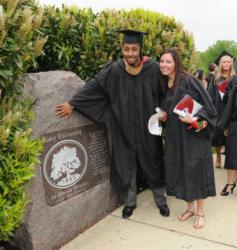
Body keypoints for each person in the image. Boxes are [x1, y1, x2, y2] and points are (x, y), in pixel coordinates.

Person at [55, 29, 169, 218]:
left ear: (140, 49)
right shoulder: (115, 70)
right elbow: (95, 86)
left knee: (154, 162)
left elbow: (168, 91)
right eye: (126, 49)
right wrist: (73, 103)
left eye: (134, 49)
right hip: (123, 127)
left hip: (148, 128)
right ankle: (129, 203)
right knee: (126, 164)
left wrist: (165, 111)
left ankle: (161, 201)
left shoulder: (154, 69)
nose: (130, 53)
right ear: (122, 49)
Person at [158, 48, 217, 229]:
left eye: (168, 61)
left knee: (195, 170)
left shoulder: (189, 81)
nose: (164, 65)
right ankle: (190, 207)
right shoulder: (167, 83)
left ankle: (200, 211)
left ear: (176, 63)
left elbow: (210, 110)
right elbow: (172, 110)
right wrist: (165, 116)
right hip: (177, 138)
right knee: (182, 170)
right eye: (161, 61)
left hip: (193, 137)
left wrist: (194, 120)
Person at [208, 51, 236, 168]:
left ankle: (230, 159)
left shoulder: (235, 78)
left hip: (232, 110)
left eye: (228, 62)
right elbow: (210, 94)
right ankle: (218, 155)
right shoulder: (215, 78)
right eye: (224, 62)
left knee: (231, 136)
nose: (226, 64)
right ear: (220, 64)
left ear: (232, 64)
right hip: (219, 108)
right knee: (218, 135)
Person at [218, 75, 237, 196]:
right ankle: (230, 183)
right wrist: (225, 125)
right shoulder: (235, 81)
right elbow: (228, 104)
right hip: (235, 123)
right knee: (232, 153)